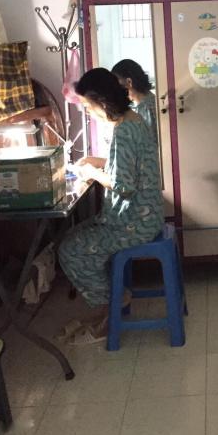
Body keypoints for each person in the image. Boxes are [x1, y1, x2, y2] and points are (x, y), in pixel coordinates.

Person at [58, 68, 163, 344]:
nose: (88, 112)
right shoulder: (132, 121)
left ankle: (113, 303)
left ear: (102, 102)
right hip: (142, 216)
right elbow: (129, 166)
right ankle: (109, 301)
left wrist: (92, 173)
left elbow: (124, 186)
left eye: (88, 106)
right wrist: (99, 162)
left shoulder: (125, 130)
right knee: (75, 236)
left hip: (135, 223)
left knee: (70, 250)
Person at [111, 59, 158, 144]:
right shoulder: (143, 104)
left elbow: (150, 142)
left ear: (129, 82)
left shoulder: (146, 107)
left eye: (118, 85)